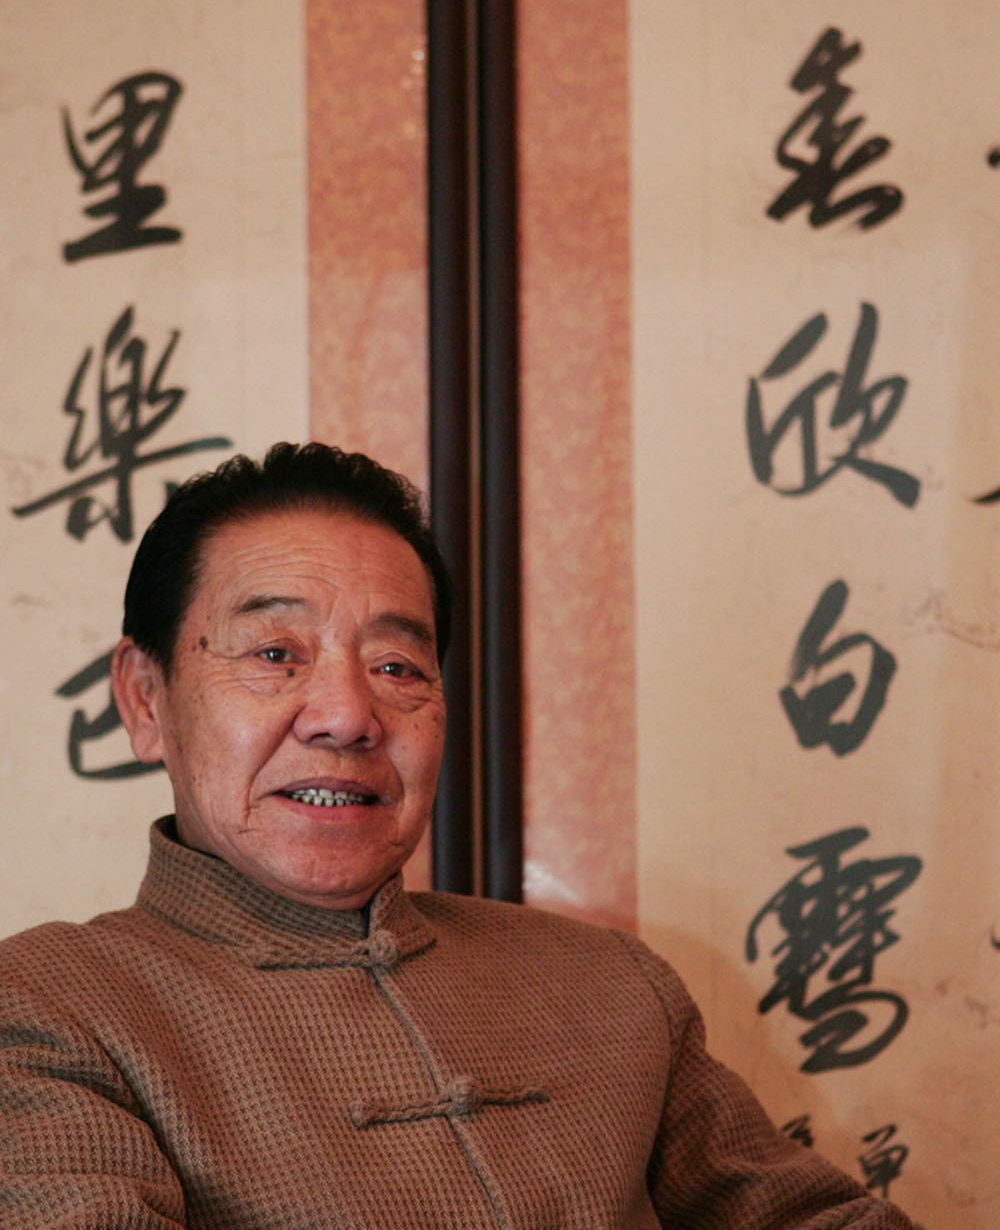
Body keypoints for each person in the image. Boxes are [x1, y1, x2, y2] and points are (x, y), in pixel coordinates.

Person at [0, 442, 917, 1229]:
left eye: (398, 665)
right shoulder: (51, 1006)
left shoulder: (612, 984)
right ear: (144, 698)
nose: (347, 715)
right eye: (276, 653)